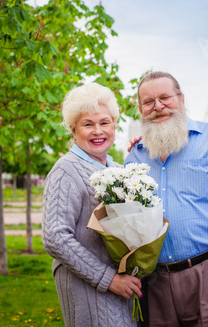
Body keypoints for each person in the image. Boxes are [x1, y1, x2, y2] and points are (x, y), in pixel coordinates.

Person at [125, 71, 208, 326]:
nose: (158, 106)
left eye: (165, 97)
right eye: (148, 102)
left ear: (181, 98)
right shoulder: (135, 156)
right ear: (141, 108)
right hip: (155, 282)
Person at [42, 83, 142, 326]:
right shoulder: (66, 170)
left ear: (114, 126)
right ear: (73, 130)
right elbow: (55, 237)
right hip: (88, 291)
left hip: (126, 290)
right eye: (88, 124)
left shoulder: (119, 170)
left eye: (104, 122)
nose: (98, 131)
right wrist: (108, 279)